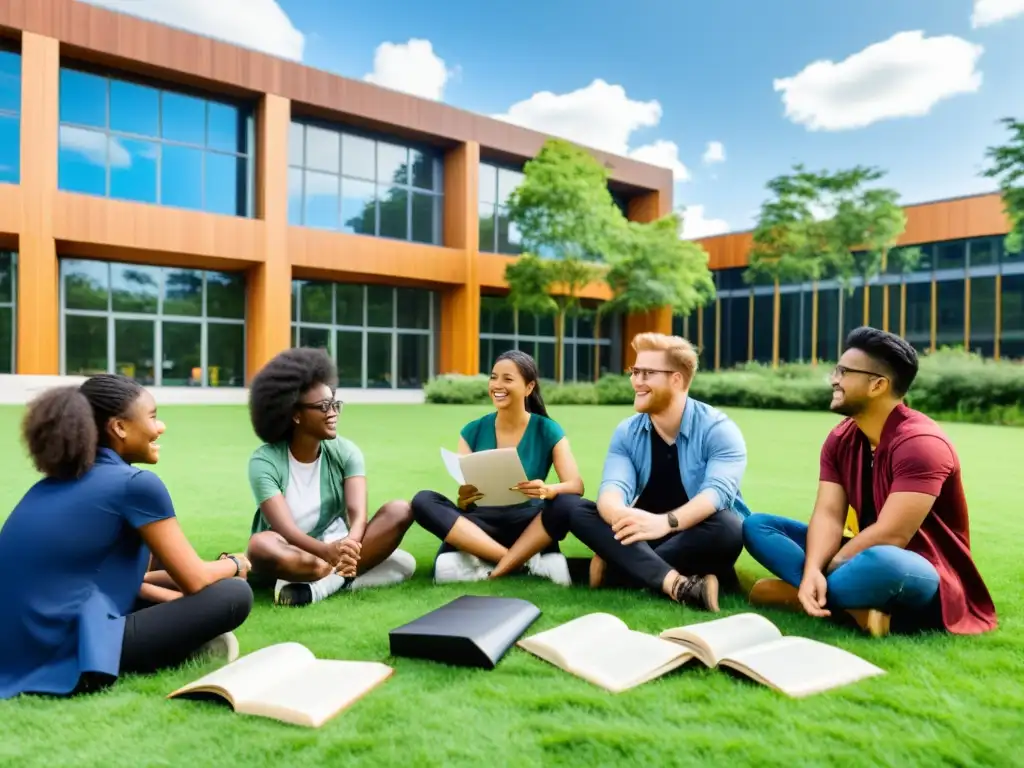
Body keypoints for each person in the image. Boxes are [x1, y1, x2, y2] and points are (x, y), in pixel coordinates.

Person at [0, 375, 254, 700]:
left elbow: (95, 579)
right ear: (119, 427)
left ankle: (178, 639)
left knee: (169, 580)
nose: (160, 427)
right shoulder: (136, 484)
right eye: (152, 416)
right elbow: (195, 579)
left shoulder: (48, 485)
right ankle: (176, 649)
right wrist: (234, 563)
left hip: (15, 644)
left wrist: (169, 598)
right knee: (233, 593)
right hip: (64, 652)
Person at [743, 327, 998, 637]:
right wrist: (812, 570)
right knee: (759, 526)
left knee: (883, 562)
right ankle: (839, 599)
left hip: (916, 565)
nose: (834, 379)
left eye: (844, 372)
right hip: (858, 553)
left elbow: (892, 534)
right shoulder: (840, 438)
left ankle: (797, 594)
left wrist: (832, 563)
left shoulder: (921, 443)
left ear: (878, 385)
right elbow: (829, 514)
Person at [553, 332, 749, 613]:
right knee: (569, 505)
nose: (636, 381)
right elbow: (612, 489)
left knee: (730, 528)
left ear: (676, 379)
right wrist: (621, 518)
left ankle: (616, 571)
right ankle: (681, 583)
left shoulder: (719, 429)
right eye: (634, 372)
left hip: (696, 533)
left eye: (647, 373)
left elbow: (716, 494)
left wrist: (663, 523)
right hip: (643, 534)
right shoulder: (627, 431)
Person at [245, 348, 416, 607]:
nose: (333, 412)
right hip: (293, 550)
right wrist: (326, 553)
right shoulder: (264, 461)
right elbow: (285, 530)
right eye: (323, 406)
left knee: (401, 515)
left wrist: (348, 545)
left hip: (337, 543)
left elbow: (358, 515)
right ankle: (338, 576)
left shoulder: (346, 452)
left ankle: (319, 588)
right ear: (295, 414)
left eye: (335, 404)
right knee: (259, 546)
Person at [410, 350, 584, 585]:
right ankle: (516, 563)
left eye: (507, 379)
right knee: (423, 500)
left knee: (566, 503)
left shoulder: (548, 430)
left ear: (529, 387)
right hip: (481, 523)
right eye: (493, 377)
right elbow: (464, 497)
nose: (497, 385)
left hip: (528, 524)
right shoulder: (472, 430)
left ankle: (491, 562)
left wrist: (547, 490)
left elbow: (576, 485)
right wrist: (463, 498)